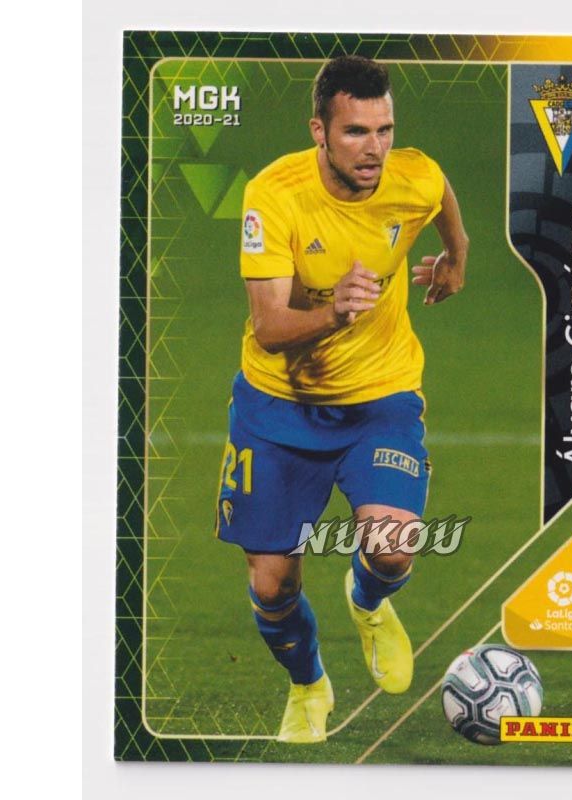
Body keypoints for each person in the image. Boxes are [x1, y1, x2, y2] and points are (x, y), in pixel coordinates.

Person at [215, 55, 469, 743]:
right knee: (272, 585)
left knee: (392, 549)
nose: (374, 148)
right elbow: (269, 329)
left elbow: (440, 192)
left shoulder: (410, 175)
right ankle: (309, 685)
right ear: (319, 132)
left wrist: (456, 256)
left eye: (385, 130)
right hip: (277, 407)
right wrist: (335, 314)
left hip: (379, 396)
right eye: (356, 131)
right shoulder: (275, 195)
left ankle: (368, 602)